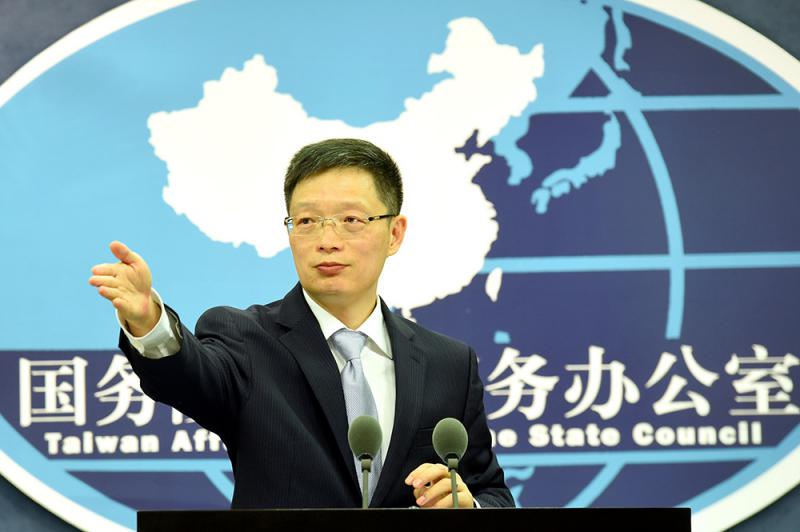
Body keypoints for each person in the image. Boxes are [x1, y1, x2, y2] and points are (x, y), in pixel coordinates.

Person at [89, 138, 513, 509]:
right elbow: (188, 378)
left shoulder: (448, 364)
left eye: (351, 220)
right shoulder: (245, 339)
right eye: (307, 222)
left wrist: (468, 506)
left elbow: (490, 491)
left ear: (394, 233)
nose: (327, 241)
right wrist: (149, 321)